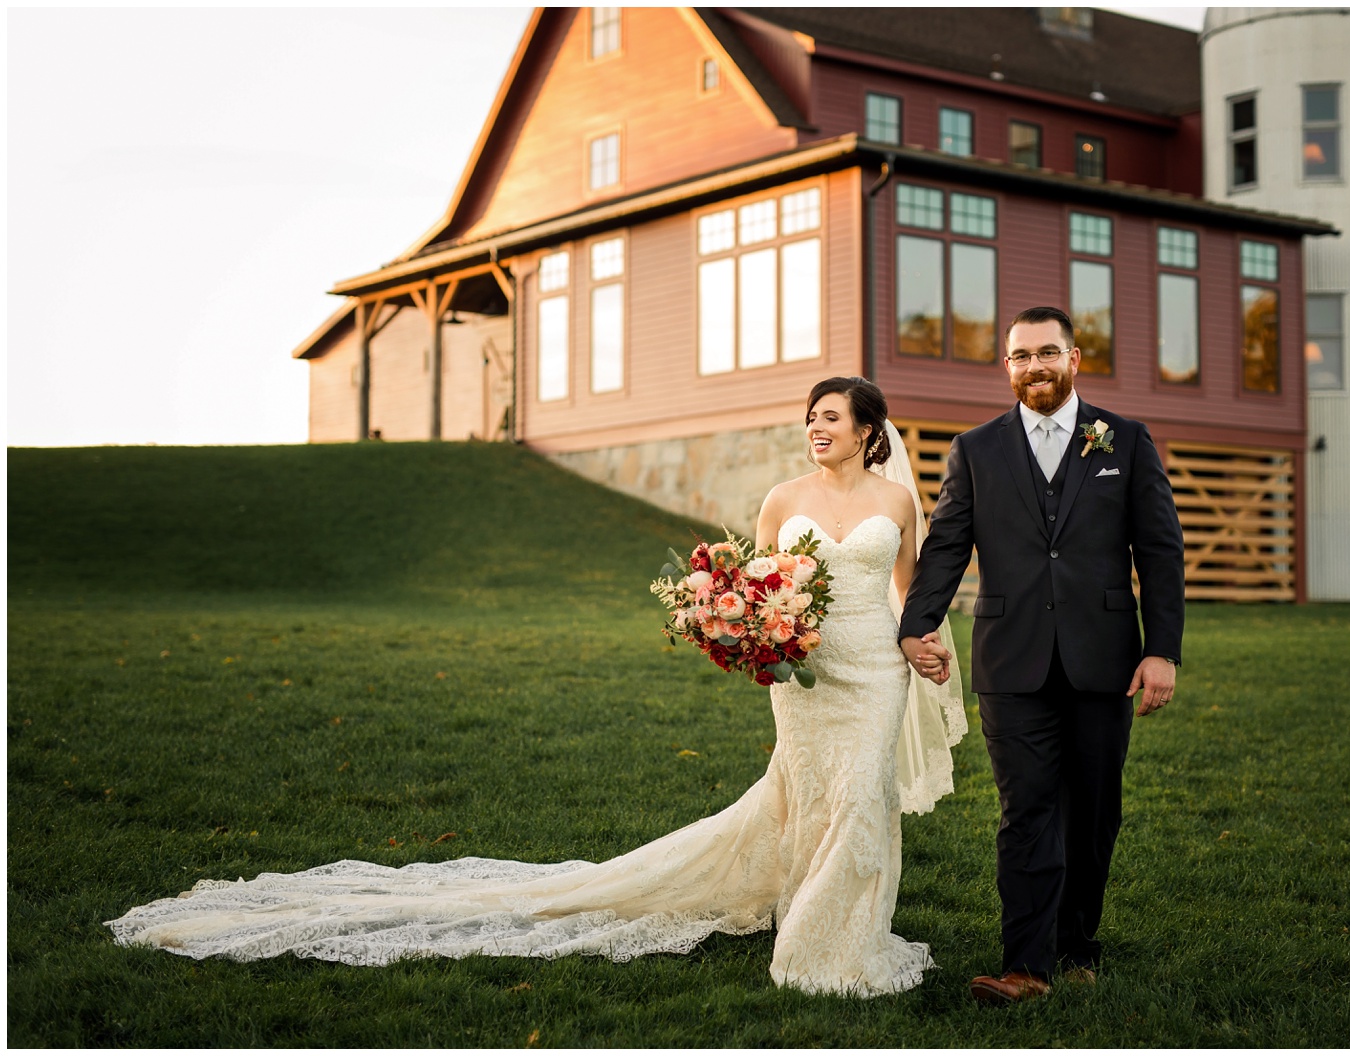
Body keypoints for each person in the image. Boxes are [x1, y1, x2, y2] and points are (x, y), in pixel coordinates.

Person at [107, 377, 965, 998]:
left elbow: (909, 587)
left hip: (873, 669)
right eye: (809, 419)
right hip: (805, 674)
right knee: (814, 795)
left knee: (864, 797)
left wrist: (924, 642)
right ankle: (813, 919)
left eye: (830, 419)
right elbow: (758, 583)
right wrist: (742, 629)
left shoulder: (897, 496)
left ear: (867, 429)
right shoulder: (783, 497)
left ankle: (836, 942)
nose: (815, 429)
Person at [898, 305, 1185, 1005]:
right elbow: (944, 548)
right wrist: (916, 625)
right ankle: (1025, 964)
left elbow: (1161, 550)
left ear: (1075, 358)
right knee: (1026, 809)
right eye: (1020, 356)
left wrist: (1163, 651)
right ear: (1007, 367)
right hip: (1012, 661)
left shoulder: (1126, 440)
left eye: (1046, 353)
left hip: (1106, 660)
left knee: (1091, 812)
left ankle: (1077, 943)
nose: (1034, 367)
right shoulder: (976, 449)